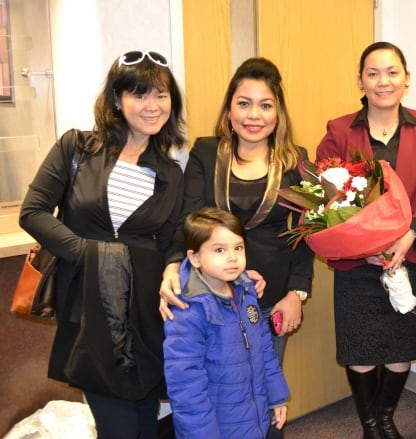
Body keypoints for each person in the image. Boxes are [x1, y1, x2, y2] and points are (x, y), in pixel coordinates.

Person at [19, 50, 186, 438]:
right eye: (139, 94)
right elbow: (33, 211)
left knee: (146, 418)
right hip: (88, 304)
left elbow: (172, 238)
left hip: (145, 311)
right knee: (117, 425)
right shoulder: (77, 148)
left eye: (162, 95)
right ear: (116, 99)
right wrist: (88, 253)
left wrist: (174, 265)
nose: (152, 106)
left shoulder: (170, 171)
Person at [315, 41, 416, 439]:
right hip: (357, 263)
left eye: (392, 72)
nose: (383, 81)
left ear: (407, 78)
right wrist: (364, 245)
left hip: (409, 254)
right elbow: (326, 196)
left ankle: (386, 419)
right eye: (373, 73)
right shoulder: (339, 130)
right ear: (360, 80)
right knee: (360, 348)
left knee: (400, 346)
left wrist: (407, 237)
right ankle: (371, 427)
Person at [158, 57, 314, 367]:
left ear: (278, 113)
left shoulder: (295, 160)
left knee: (264, 389)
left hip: (272, 294)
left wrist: (297, 293)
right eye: (244, 103)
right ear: (230, 111)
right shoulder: (206, 152)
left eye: (266, 105)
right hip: (210, 292)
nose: (254, 115)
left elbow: (306, 234)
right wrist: (172, 266)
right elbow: (188, 220)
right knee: (217, 388)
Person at [163, 207, 290, 438]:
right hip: (216, 428)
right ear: (195, 257)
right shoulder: (188, 311)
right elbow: (186, 387)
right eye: (219, 249)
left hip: (253, 419)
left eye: (238, 248)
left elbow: (265, 351)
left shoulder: (246, 294)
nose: (232, 257)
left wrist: (276, 396)